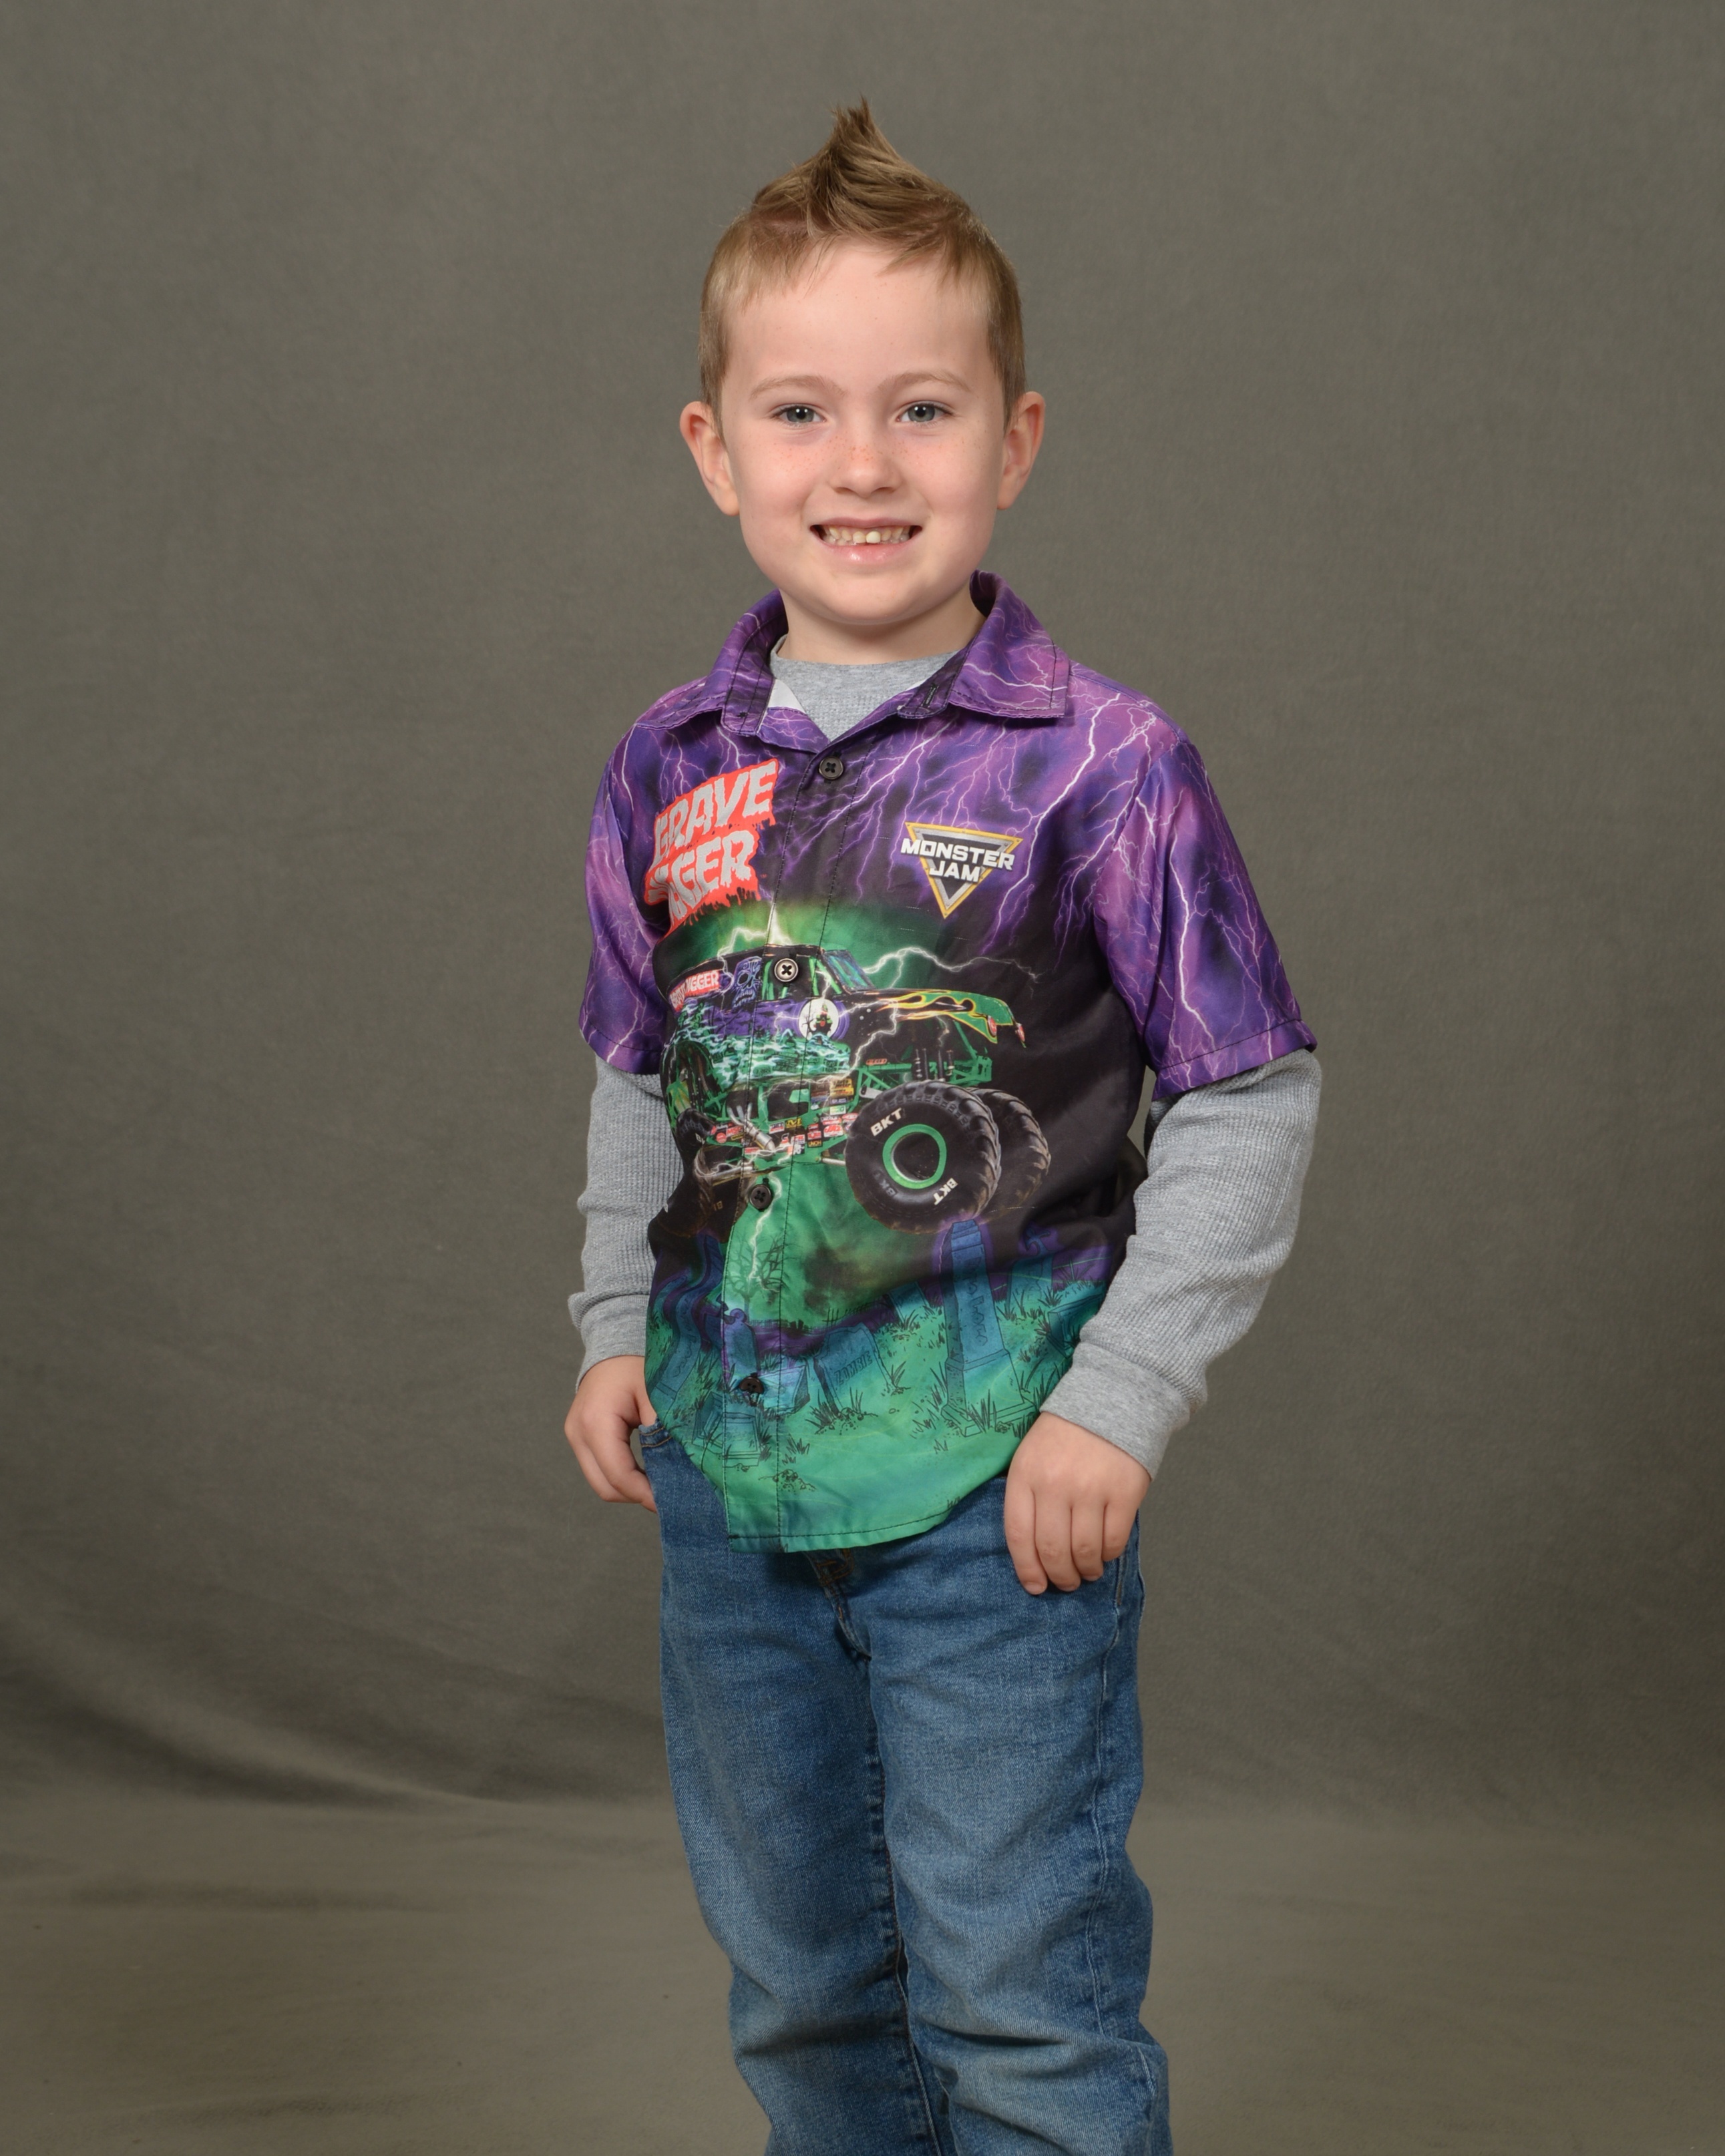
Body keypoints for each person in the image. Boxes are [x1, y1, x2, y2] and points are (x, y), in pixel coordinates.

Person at [564, 103, 1319, 2156]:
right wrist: (613, 1326)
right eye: (800, 411)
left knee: (1016, 1994)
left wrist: (1120, 1403)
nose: (864, 464)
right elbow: (642, 1068)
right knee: (807, 1990)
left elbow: (1248, 1087)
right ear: (715, 449)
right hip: (732, 1482)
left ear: (1017, 438)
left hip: (997, 1490)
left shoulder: (1106, 768)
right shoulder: (665, 767)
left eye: (923, 407)